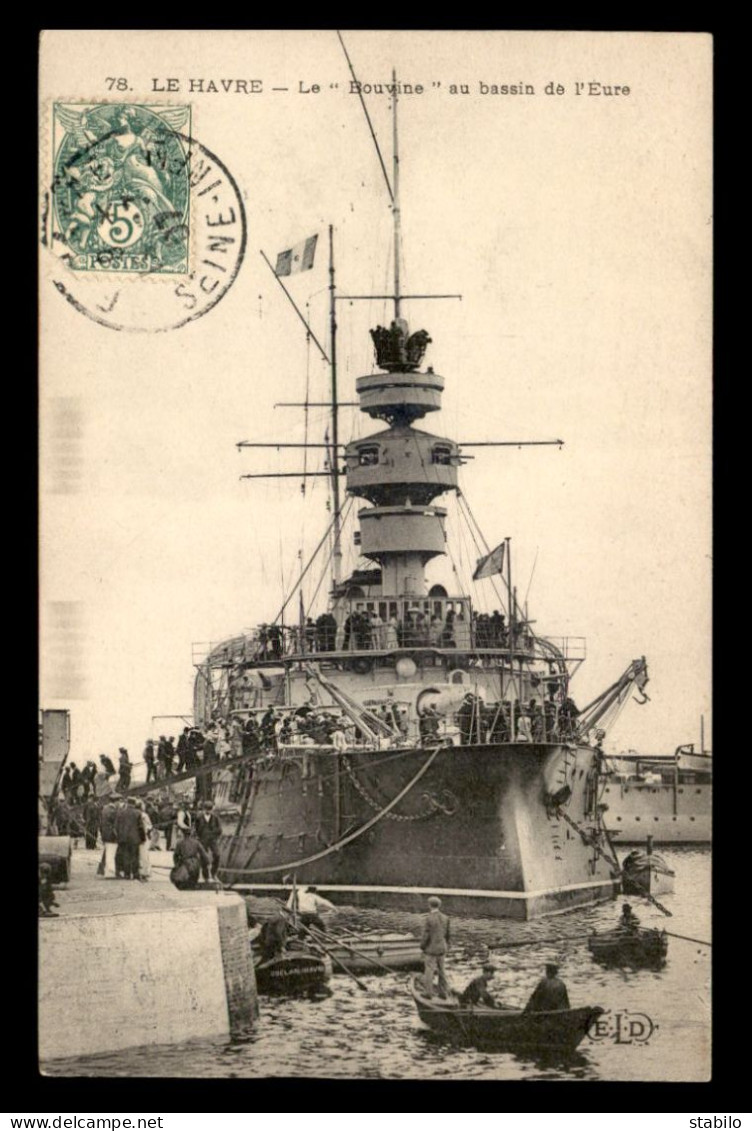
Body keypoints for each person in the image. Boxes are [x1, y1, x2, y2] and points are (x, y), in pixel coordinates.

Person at [420, 895, 450, 998]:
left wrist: (422, 947)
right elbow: (448, 935)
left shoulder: (429, 918)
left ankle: (428, 993)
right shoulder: (446, 917)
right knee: (442, 971)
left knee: (429, 971)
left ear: (429, 905)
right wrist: (447, 946)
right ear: (439, 905)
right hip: (442, 948)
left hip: (431, 949)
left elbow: (426, 936)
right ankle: (443, 993)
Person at [115, 796, 142, 879]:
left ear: (127, 803)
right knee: (135, 856)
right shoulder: (138, 813)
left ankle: (127, 874)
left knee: (126, 856)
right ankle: (135, 873)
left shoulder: (120, 812)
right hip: (134, 838)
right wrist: (142, 838)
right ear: (134, 804)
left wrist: (119, 836)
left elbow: (116, 826)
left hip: (123, 838)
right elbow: (140, 827)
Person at [194, 800, 222, 881]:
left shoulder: (215, 818)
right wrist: (198, 837)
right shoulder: (199, 818)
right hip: (203, 840)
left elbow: (219, 829)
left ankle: (214, 874)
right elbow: (196, 829)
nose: (208, 811)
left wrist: (214, 835)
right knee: (204, 858)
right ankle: (205, 876)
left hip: (213, 840)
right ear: (204, 809)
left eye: (210, 809)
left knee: (217, 855)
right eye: (207, 809)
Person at [99, 793, 120, 878]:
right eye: (119, 801)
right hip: (111, 835)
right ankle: (110, 872)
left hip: (105, 834)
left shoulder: (105, 809)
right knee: (111, 853)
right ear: (115, 801)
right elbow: (115, 824)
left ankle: (101, 870)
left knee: (107, 851)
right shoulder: (113, 811)